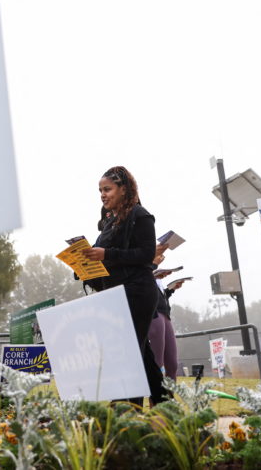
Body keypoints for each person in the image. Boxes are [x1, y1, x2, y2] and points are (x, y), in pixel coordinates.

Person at [80, 166, 172, 406]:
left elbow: (146, 254)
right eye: (100, 190)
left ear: (123, 189)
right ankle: (165, 405)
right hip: (115, 292)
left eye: (107, 189)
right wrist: (84, 267)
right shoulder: (109, 223)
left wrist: (106, 253)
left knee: (127, 351)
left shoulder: (140, 216)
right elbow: (107, 259)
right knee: (141, 353)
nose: (102, 194)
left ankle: (126, 409)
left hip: (137, 291)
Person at [149, 246, 185, 382]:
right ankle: (156, 401)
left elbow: (160, 295)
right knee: (157, 361)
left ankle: (170, 399)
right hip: (154, 314)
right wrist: (153, 266)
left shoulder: (157, 277)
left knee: (172, 363)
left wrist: (172, 289)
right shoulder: (146, 269)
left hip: (165, 313)